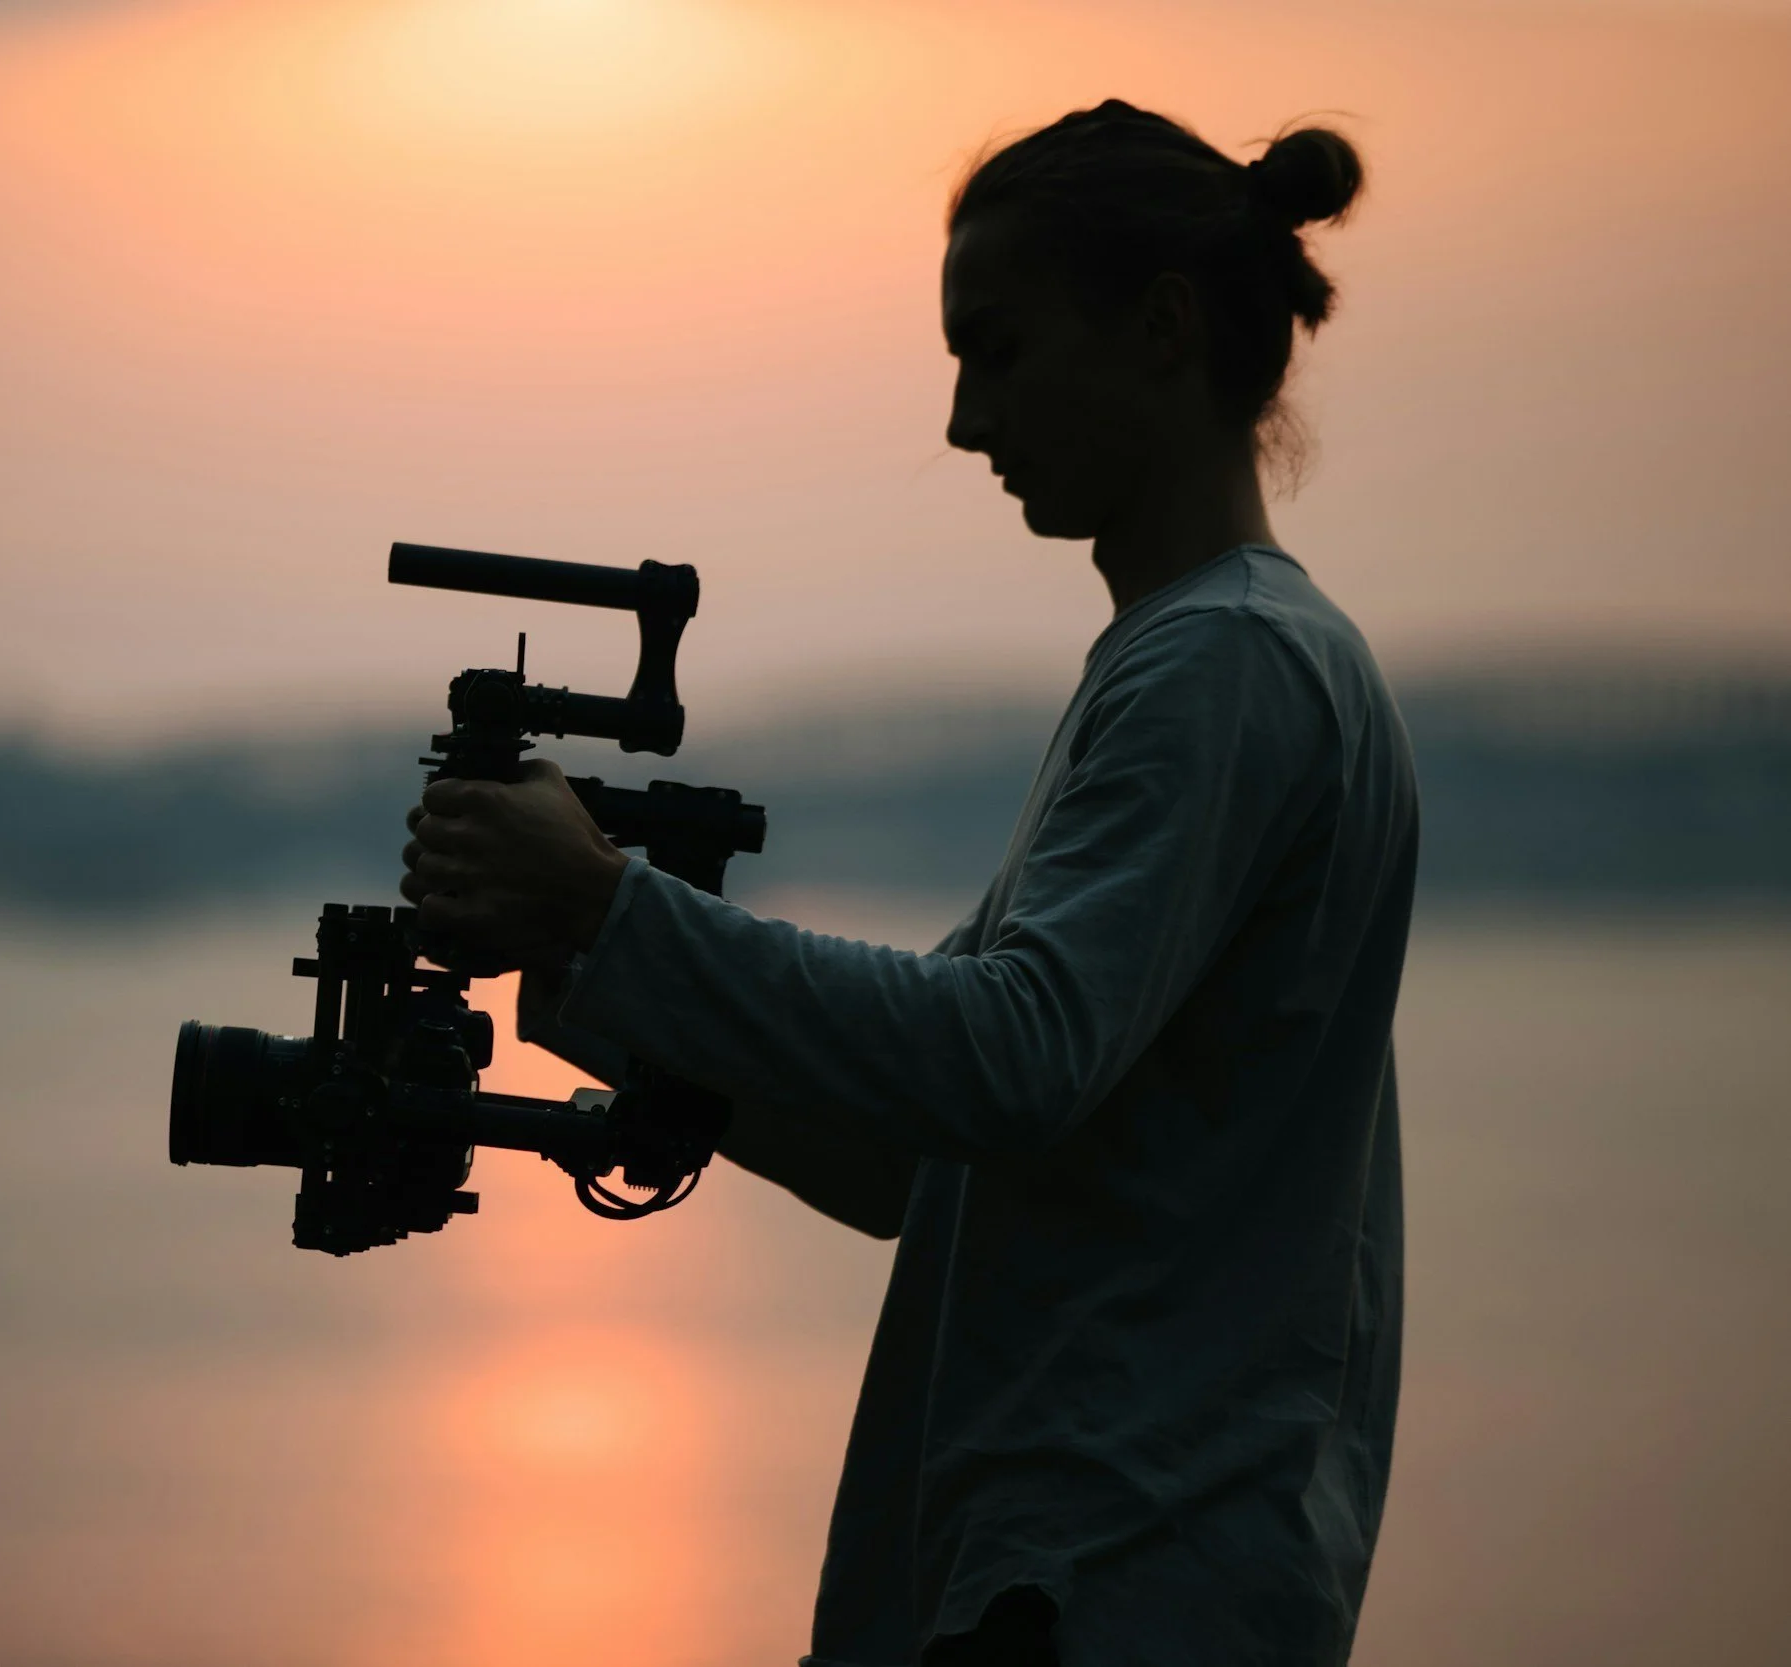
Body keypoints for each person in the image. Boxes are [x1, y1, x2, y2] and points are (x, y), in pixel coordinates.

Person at [400, 99, 1415, 1667]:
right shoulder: (1205, 658)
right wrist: (609, 989)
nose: (960, 420)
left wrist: (609, 906)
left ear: (1160, 330)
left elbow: (1005, 1054)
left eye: (995, 350)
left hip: (1115, 1582)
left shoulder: (1223, 664)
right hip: (1091, 1576)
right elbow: (924, 1160)